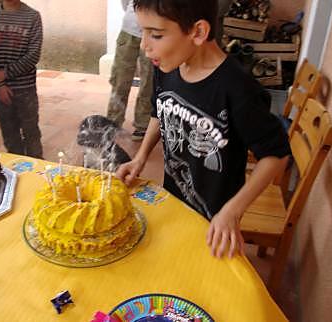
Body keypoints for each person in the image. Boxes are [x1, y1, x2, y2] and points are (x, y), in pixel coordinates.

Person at [116, 0, 291, 258]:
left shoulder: (238, 89)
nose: (144, 45)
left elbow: (276, 155)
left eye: (156, 34)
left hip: (214, 221)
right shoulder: (167, 66)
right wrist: (140, 157)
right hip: (174, 201)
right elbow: (159, 110)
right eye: (143, 32)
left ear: (198, 32)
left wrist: (232, 211)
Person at [0, 0, 43, 158]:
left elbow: (33, 55)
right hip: (1, 89)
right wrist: (0, 83)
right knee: (10, 134)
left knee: (31, 133)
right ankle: (17, 167)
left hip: (26, 88)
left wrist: (5, 73)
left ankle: (37, 170)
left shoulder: (32, 16)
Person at [106, 0, 153, 141]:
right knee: (120, 79)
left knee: (149, 82)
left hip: (153, 32)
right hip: (129, 31)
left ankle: (143, 124)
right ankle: (113, 121)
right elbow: (125, 2)